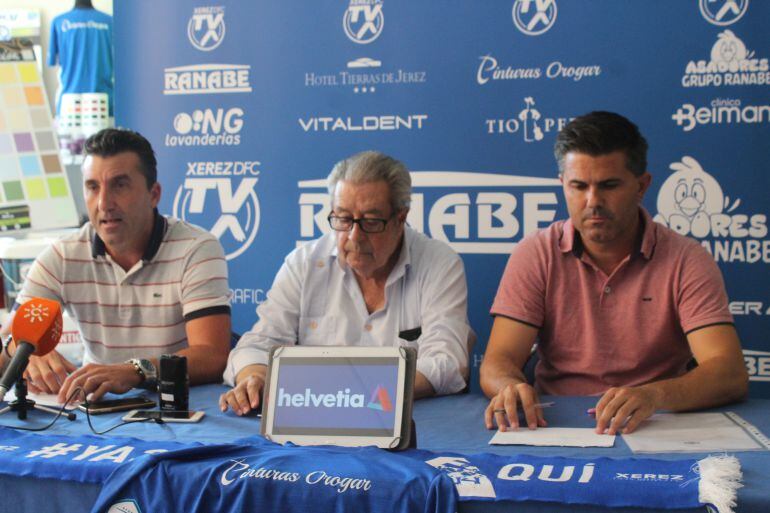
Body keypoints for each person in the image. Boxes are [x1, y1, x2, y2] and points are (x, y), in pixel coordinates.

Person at [480, 111, 748, 435]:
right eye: (579, 186)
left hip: (655, 424)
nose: (593, 201)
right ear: (562, 185)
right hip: (554, 422)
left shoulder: (686, 259)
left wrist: (654, 395)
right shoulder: (535, 253)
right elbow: (498, 361)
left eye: (609, 185)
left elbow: (729, 373)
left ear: (641, 186)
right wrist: (509, 386)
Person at [220, 151, 473, 415]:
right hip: (315, 420)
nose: (354, 236)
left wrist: (358, 393)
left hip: (409, 422)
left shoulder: (438, 263)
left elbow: (448, 361)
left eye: (371, 222)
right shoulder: (304, 264)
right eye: (343, 219)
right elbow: (257, 344)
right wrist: (256, 377)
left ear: (401, 218)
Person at [2, 128, 231, 403]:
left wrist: (134, 371)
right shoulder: (62, 256)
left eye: (119, 185)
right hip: (95, 408)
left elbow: (211, 355)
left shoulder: (196, 248)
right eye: (92, 187)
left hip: (181, 407)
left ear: (154, 194)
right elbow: (7, 344)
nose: (104, 203)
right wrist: (22, 351)